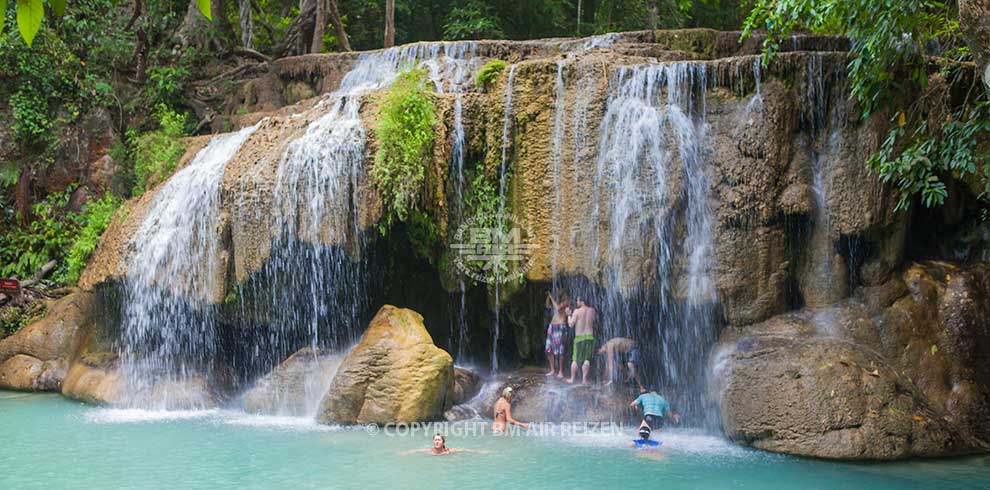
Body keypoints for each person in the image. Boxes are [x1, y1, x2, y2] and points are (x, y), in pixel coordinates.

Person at [566, 295, 596, 385]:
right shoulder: (592, 310)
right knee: (587, 359)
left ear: (582, 301)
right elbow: (593, 322)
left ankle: (572, 379)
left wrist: (568, 316)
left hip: (579, 338)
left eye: (577, 300)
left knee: (575, 359)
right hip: (590, 337)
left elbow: (571, 324)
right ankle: (584, 380)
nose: (576, 302)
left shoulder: (577, 311)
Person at [544, 291, 571, 378]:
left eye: (559, 290)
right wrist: (548, 297)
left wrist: (551, 296)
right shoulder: (558, 301)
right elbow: (547, 306)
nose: (558, 291)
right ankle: (552, 370)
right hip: (552, 326)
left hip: (560, 326)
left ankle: (561, 371)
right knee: (548, 349)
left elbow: (558, 308)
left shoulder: (568, 301)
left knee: (560, 350)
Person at [402, 433, 489, 456]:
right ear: (433, 441)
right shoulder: (430, 451)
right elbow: (416, 450)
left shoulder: (448, 451)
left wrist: (478, 451)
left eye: (439, 440)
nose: (437, 442)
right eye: (435, 440)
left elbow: (463, 449)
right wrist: (406, 453)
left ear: (443, 442)